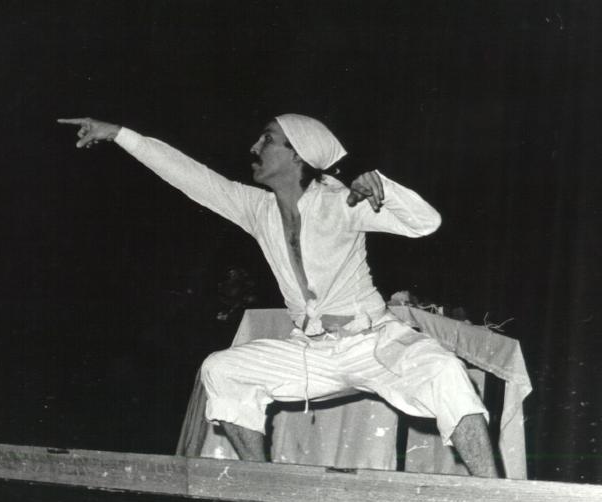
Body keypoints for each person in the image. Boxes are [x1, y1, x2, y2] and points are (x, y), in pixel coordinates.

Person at [58, 114, 498, 477]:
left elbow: (425, 223)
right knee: (222, 368)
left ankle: (497, 498)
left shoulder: (342, 202)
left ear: (298, 154)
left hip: (374, 343)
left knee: (443, 370)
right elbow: (191, 177)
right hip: (310, 352)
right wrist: (120, 134)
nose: (254, 147)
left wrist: (384, 186)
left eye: (267, 139)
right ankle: (263, 483)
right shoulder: (258, 209)